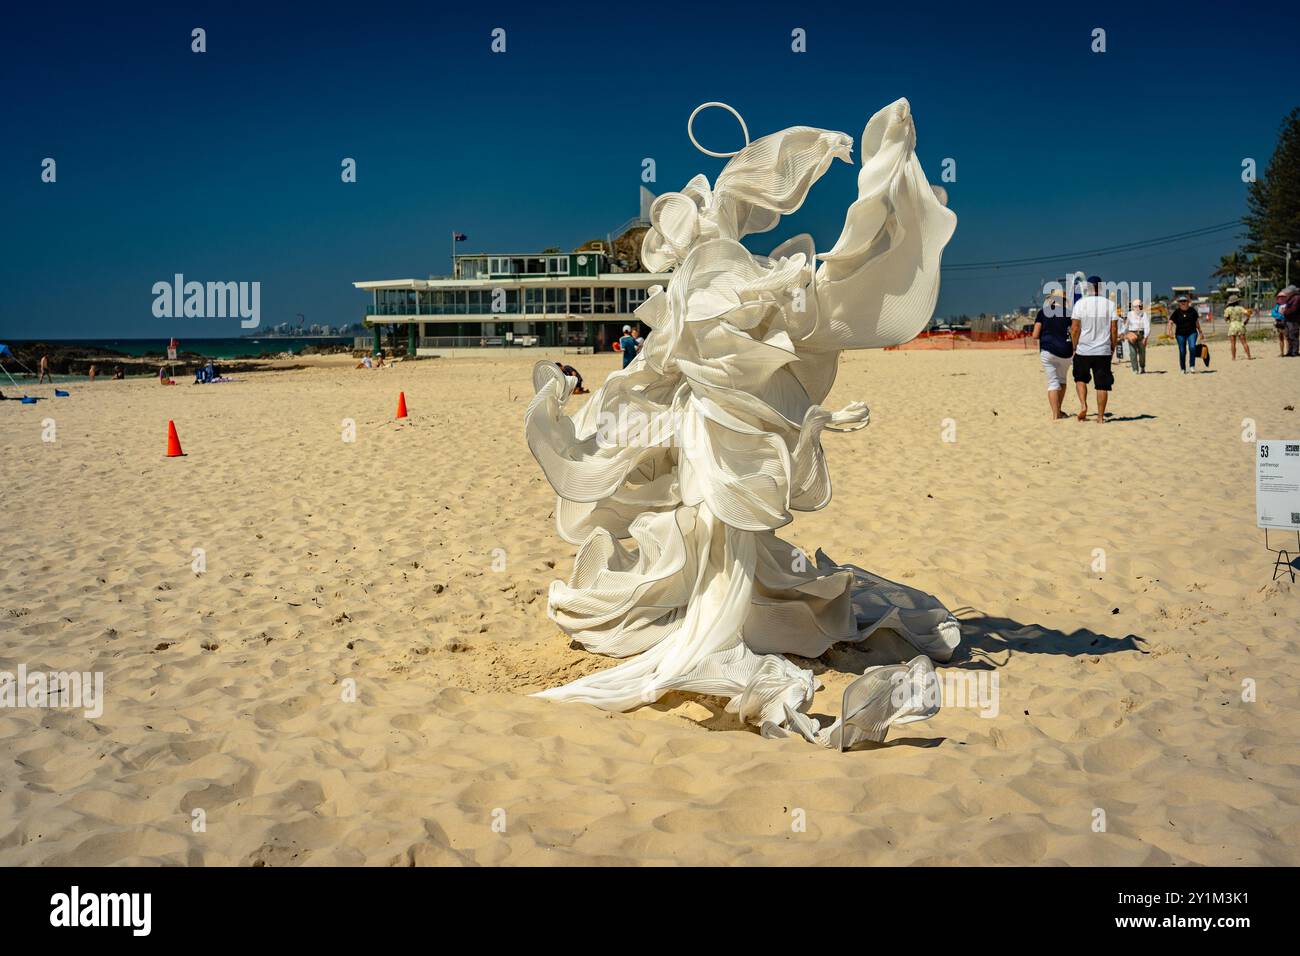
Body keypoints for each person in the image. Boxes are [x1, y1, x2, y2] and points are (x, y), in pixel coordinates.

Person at [1069, 275, 1118, 423]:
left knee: (1080, 379)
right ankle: (1101, 417)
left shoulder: (1080, 304)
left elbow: (1075, 328)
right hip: (1102, 351)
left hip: (1083, 349)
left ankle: (1084, 405)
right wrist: (1112, 347)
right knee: (1102, 385)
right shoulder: (1110, 304)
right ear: (1101, 288)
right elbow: (1114, 329)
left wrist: (1074, 346)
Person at [1031, 290, 1072, 420]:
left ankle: (1056, 414)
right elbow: (1074, 331)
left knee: (1053, 383)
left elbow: (1035, 335)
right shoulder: (1070, 313)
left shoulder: (1043, 312)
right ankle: (1059, 410)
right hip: (1066, 351)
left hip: (1048, 350)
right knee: (1062, 380)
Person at [1167, 294, 1202, 373]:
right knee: (1182, 351)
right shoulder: (1176, 312)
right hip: (1180, 334)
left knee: (1192, 348)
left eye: (1184, 301)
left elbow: (1197, 322)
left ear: (1188, 302)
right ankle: (1183, 368)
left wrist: (1200, 332)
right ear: (1179, 303)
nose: (1183, 302)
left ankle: (1192, 366)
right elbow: (1170, 322)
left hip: (1192, 332)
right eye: (1181, 301)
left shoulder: (1192, 311)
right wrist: (1170, 331)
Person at [1223, 295, 1252, 361]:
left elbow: (1225, 318)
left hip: (1232, 326)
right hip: (1240, 325)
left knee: (1233, 343)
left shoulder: (1228, 309)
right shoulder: (1240, 308)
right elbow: (1248, 313)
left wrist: (1229, 322)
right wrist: (1246, 320)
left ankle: (1233, 357)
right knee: (1244, 342)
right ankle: (1249, 356)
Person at [1126, 298, 1150, 373]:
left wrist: (1145, 338)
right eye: (1136, 306)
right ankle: (1135, 369)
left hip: (1141, 334)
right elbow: (1125, 326)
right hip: (1131, 333)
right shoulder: (1129, 314)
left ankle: (1142, 367)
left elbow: (1147, 326)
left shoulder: (1144, 314)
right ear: (1133, 307)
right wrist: (1127, 334)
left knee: (1142, 353)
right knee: (1132, 353)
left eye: (1139, 305)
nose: (1138, 307)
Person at [1279, 285, 1300, 357]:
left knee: (1293, 335)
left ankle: (1295, 351)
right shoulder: (1291, 298)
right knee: (1288, 335)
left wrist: (1284, 311)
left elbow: (1294, 309)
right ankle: (1290, 351)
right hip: (1289, 319)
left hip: (1293, 320)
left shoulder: (1296, 298)